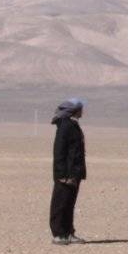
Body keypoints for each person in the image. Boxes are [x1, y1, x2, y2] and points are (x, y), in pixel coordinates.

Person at [50, 98, 86, 245]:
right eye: (81, 108)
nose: (83, 111)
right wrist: (62, 175)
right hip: (65, 174)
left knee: (69, 204)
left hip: (73, 173)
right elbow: (59, 152)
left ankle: (68, 233)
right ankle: (58, 234)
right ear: (75, 110)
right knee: (60, 204)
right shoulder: (65, 126)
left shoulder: (72, 125)